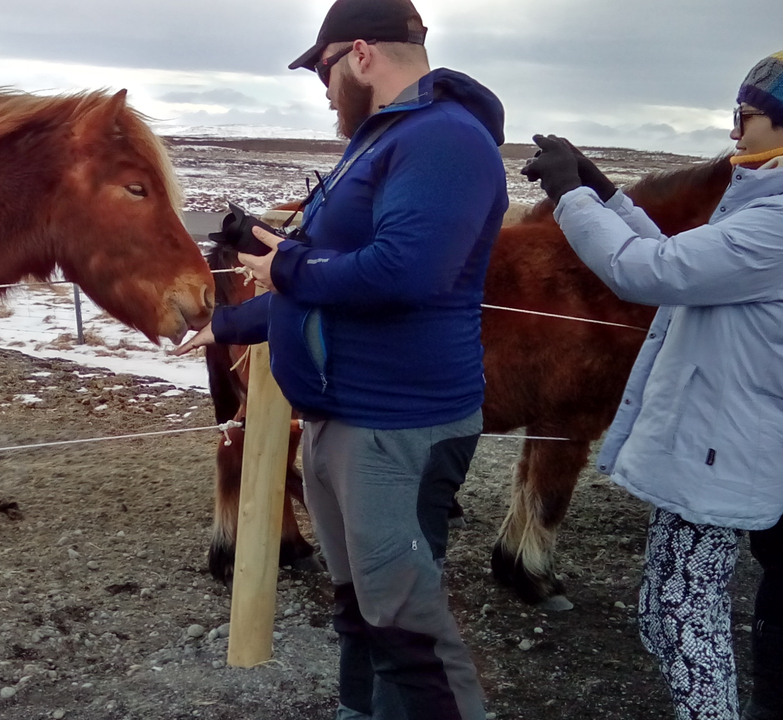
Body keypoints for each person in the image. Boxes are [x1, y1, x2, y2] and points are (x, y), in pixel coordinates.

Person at [173, 1, 507, 717]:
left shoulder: (444, 140)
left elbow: (403, 273)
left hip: (396, 426)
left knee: (408, 628)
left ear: (360, 54)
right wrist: (231, 322)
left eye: (323, 71)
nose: (322, 90)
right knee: (361, 610)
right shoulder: (381, 141)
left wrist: (286, 266)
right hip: (344, 418)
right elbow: (325, 280)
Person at [520, 51, 783, 720]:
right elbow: (679, 261)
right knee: (664, 607)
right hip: (710, 441)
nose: (733, 133)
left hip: (724, 443)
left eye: (745, 116)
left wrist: (572, 198)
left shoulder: (776, 222)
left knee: (689, 613)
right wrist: (604, 193)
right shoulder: (761, 208)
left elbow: (650, 272)